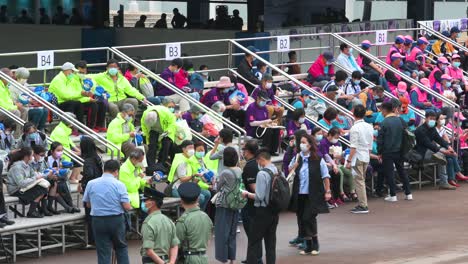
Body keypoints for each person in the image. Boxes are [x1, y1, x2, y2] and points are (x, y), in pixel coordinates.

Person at [83, 160, 131, 264]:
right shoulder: (119, 184)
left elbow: (88, 204)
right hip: (116, 219)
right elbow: (127, 206)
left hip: (97, 220)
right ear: (116, 171)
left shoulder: (91, 183)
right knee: (121, 247)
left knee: (103, 251)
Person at [241, 149, 280, 263]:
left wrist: (247, 194)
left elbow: (259, 196)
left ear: (261, 160)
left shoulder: (262, 174)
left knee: (254, 241)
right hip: (274, 210)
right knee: (270, 242)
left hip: (262, 211)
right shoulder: (276, 170)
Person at [377, 102, 412, 202]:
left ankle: (393, 195)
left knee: (390, 172)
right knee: (402, 171)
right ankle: (408, 193)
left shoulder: (384, 122)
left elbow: (380, 140)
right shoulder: (400, 120)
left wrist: (379, 152)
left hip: (387, 151)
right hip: (400, 150)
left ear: (384, 110)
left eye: (381, 110)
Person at [414, 111, 457, 190]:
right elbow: (428, 144)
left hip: (433, 152)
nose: (432, 121)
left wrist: (449, 147)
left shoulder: (432, 129)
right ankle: (445, 182)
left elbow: (439, 139)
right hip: (422, 153)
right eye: (431, 119)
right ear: (426, 118)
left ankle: (446, 181)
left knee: (447, 157)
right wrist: (444, 151)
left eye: (434, 119)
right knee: (442, 155)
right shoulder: (420, 130)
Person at [214, 147, 241, 263]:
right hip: (235, 203)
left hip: (224, 203)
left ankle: (223, 258)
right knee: (232, 232)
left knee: (222, 232)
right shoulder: (239, 170)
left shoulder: (225, 172)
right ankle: (232, 259)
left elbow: (217, 188)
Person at [49, 62, 96, 128]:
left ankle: (82, 127)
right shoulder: (58, 80)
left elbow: (71, 94)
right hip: (57, 103)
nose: (74, 73)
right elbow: (64, 96)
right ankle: (74, 127)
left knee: (78, 103)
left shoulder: (68, 78)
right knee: (74, 103)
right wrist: (81, 94)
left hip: (66, 101)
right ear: (67, 70)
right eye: (73, 71)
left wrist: (84, 96)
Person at [7, 147, 50, 218]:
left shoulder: (27, 165)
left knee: (45, 187)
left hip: (24, 187)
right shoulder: (17, 167)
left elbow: (34, 175)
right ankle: (32, 212)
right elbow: (21, 183)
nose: (33, 157)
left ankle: (40, 210)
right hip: (16, 190)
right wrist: (35, 178)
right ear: (27, 157)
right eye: (32, 155)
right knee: (42, 190)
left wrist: (46, 175)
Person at [175, 182, 213, 263]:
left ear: (181, 200)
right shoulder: (206, 217)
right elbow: (208, 240)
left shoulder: (183, 220)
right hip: (204, 258)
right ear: (198, 198)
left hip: (189, 259)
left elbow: (176, 245)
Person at [346, 105, 373, 214]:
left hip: (358, 156)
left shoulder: (354, 128)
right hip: (365, 155)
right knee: (361, 180)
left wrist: (348, 160)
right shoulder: (369, 126)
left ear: (354, 114)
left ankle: (363, 205)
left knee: (359, 181)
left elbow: (353, 146)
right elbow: (370, 145)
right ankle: (363, 203)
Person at [140, 187, 179, 264]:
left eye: (145, 200)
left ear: (152, 203)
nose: (143, 203)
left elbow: (149, 251)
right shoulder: (169, 221)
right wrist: (171, 262)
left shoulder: (148, 223)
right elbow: (174, 245)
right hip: (167, 260)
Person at [169, 140, 209, 208]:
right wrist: (193, 176)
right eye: (190, 148)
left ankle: (200, 213)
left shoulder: (189, 159)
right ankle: (191, 214)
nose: (192, 150)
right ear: (184, 149)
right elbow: (182, 179)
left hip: (188, 185)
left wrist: (197, 179)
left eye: (193, 148)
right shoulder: (181, 161)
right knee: (201, 198)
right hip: (179, 187)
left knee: (207, 194)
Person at [239, 140, 261, 263]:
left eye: (244, 150)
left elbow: (255, 189)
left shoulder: (250, 166)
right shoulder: (257, 163)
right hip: (258, 205)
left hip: (251, 205)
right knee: (254, 234)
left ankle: (256, 259)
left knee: (253, 234)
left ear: (247, 151)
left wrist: (246, 194)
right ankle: (252, 258)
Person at [80, 136, 103, 248]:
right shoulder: (96, 157)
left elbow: (89, 175)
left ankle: (92, 240)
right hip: (99, 188)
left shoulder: (88, 160)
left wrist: (82, 182)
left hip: (90, 190)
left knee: (90, 216)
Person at [46, 142, 81, 213]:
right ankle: (69, 206)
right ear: (52, 151)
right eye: (58, 150)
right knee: (60, 185)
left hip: (58, 181)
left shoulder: (60, 160)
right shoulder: (46, 160)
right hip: (49, 180)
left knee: (63, 184)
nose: (60, 152)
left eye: (61, 150)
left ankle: (69, 206)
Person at [141, 105, 177, 173]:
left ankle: (161, 165)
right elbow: (144, 126)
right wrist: (147, 137)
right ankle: (151, 166)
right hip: (153, 130)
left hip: (166, 130)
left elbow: (172, 123)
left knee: (166, 145)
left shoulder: (166, 113)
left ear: (157, 118)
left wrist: (167, 132)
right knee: (151, 146)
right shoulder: (145, 114)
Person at [245, 90, 280, 155]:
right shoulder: (251, 107)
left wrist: (271, 123)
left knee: (276, 129)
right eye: (263, 100)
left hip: (263, 127)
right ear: (258, 98)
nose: (264, 102)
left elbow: (266, 120)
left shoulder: (264, 108)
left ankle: (273, 150)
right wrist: (265, 122)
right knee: (268, 131)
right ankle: (264, 151)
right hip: (253, 130)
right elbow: (251, 123)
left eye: (265, 101)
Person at [49, 112, 82, 183]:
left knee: (81, 155)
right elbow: (62, 148)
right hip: (60, 154)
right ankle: (72, 178)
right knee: (79, 159)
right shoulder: (60, 131)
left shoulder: (63, 128)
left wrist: (77, 150)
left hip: (64, 151)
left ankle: (74, 177)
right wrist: (76, 153)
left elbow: (69, 141)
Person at [14, 67, 49, 131]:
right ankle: (31, 130)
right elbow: (14, 100)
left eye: (26, 78)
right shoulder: (13, 86)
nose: (25, 79)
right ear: (18, 77)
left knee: (45, 110)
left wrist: (41, 90)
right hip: (22, 108)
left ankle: (41, 129)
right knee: (38, 111)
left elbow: (33, 89)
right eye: (24, 78)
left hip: (28, 106)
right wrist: (27, 100)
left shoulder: (25, 85)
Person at [0, 68, 26, 135]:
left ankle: (22, 134)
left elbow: (8, 100)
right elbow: (2, 104)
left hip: (6, 108)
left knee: (24, 110)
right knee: (16, 112)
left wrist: (15, 103)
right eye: (11, 77)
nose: (12, 78)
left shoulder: (5, 85)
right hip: (2, 109)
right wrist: (15, 106)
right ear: (4, 77)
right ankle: (15, 137)